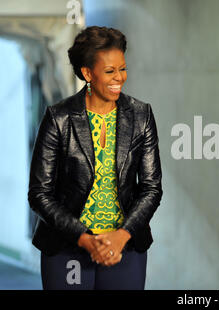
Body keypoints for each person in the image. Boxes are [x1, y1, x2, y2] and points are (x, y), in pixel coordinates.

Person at [28, 26, 162, 290]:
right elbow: (39, 194)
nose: (119, 78)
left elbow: (151, 189)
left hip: (125, 247)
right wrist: (86, 240)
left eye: (122, 68)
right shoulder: (59, 118)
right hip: (68, 249)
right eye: (110, 71)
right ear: (88, 73)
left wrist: (121, 236)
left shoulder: (141, 115)